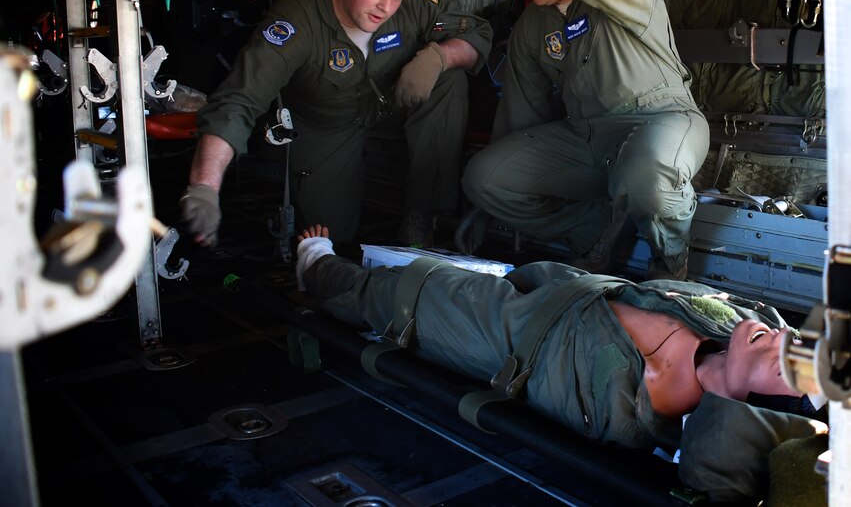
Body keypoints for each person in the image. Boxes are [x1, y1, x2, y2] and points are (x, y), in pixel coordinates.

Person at [294, 225, 828, 504]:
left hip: (518, 339)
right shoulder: (740, 321)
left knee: (400, 294)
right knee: (443, 269)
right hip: (567, 286)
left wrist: (735, 401)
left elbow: (722, 467)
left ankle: (316, 269)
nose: (782, 337)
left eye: (785, 363)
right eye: (796, 342)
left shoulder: (649, 417)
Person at [454, 0, 710, 280]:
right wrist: (485, 205)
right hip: (587, 140)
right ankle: (595, 236)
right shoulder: (531, 28)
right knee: (485, 176)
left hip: (661, 120)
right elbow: (522, 117)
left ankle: (671, 265)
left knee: (647, 179)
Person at [179, 0, 493, 248]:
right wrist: (205, 188)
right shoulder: (297, 19)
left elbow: (477, 33)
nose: (386, 7)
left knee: (449, 79)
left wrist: (441, 56)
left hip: (389, 105)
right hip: (327, 127)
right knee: (328, 240)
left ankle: (421, 215)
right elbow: (238, 100)